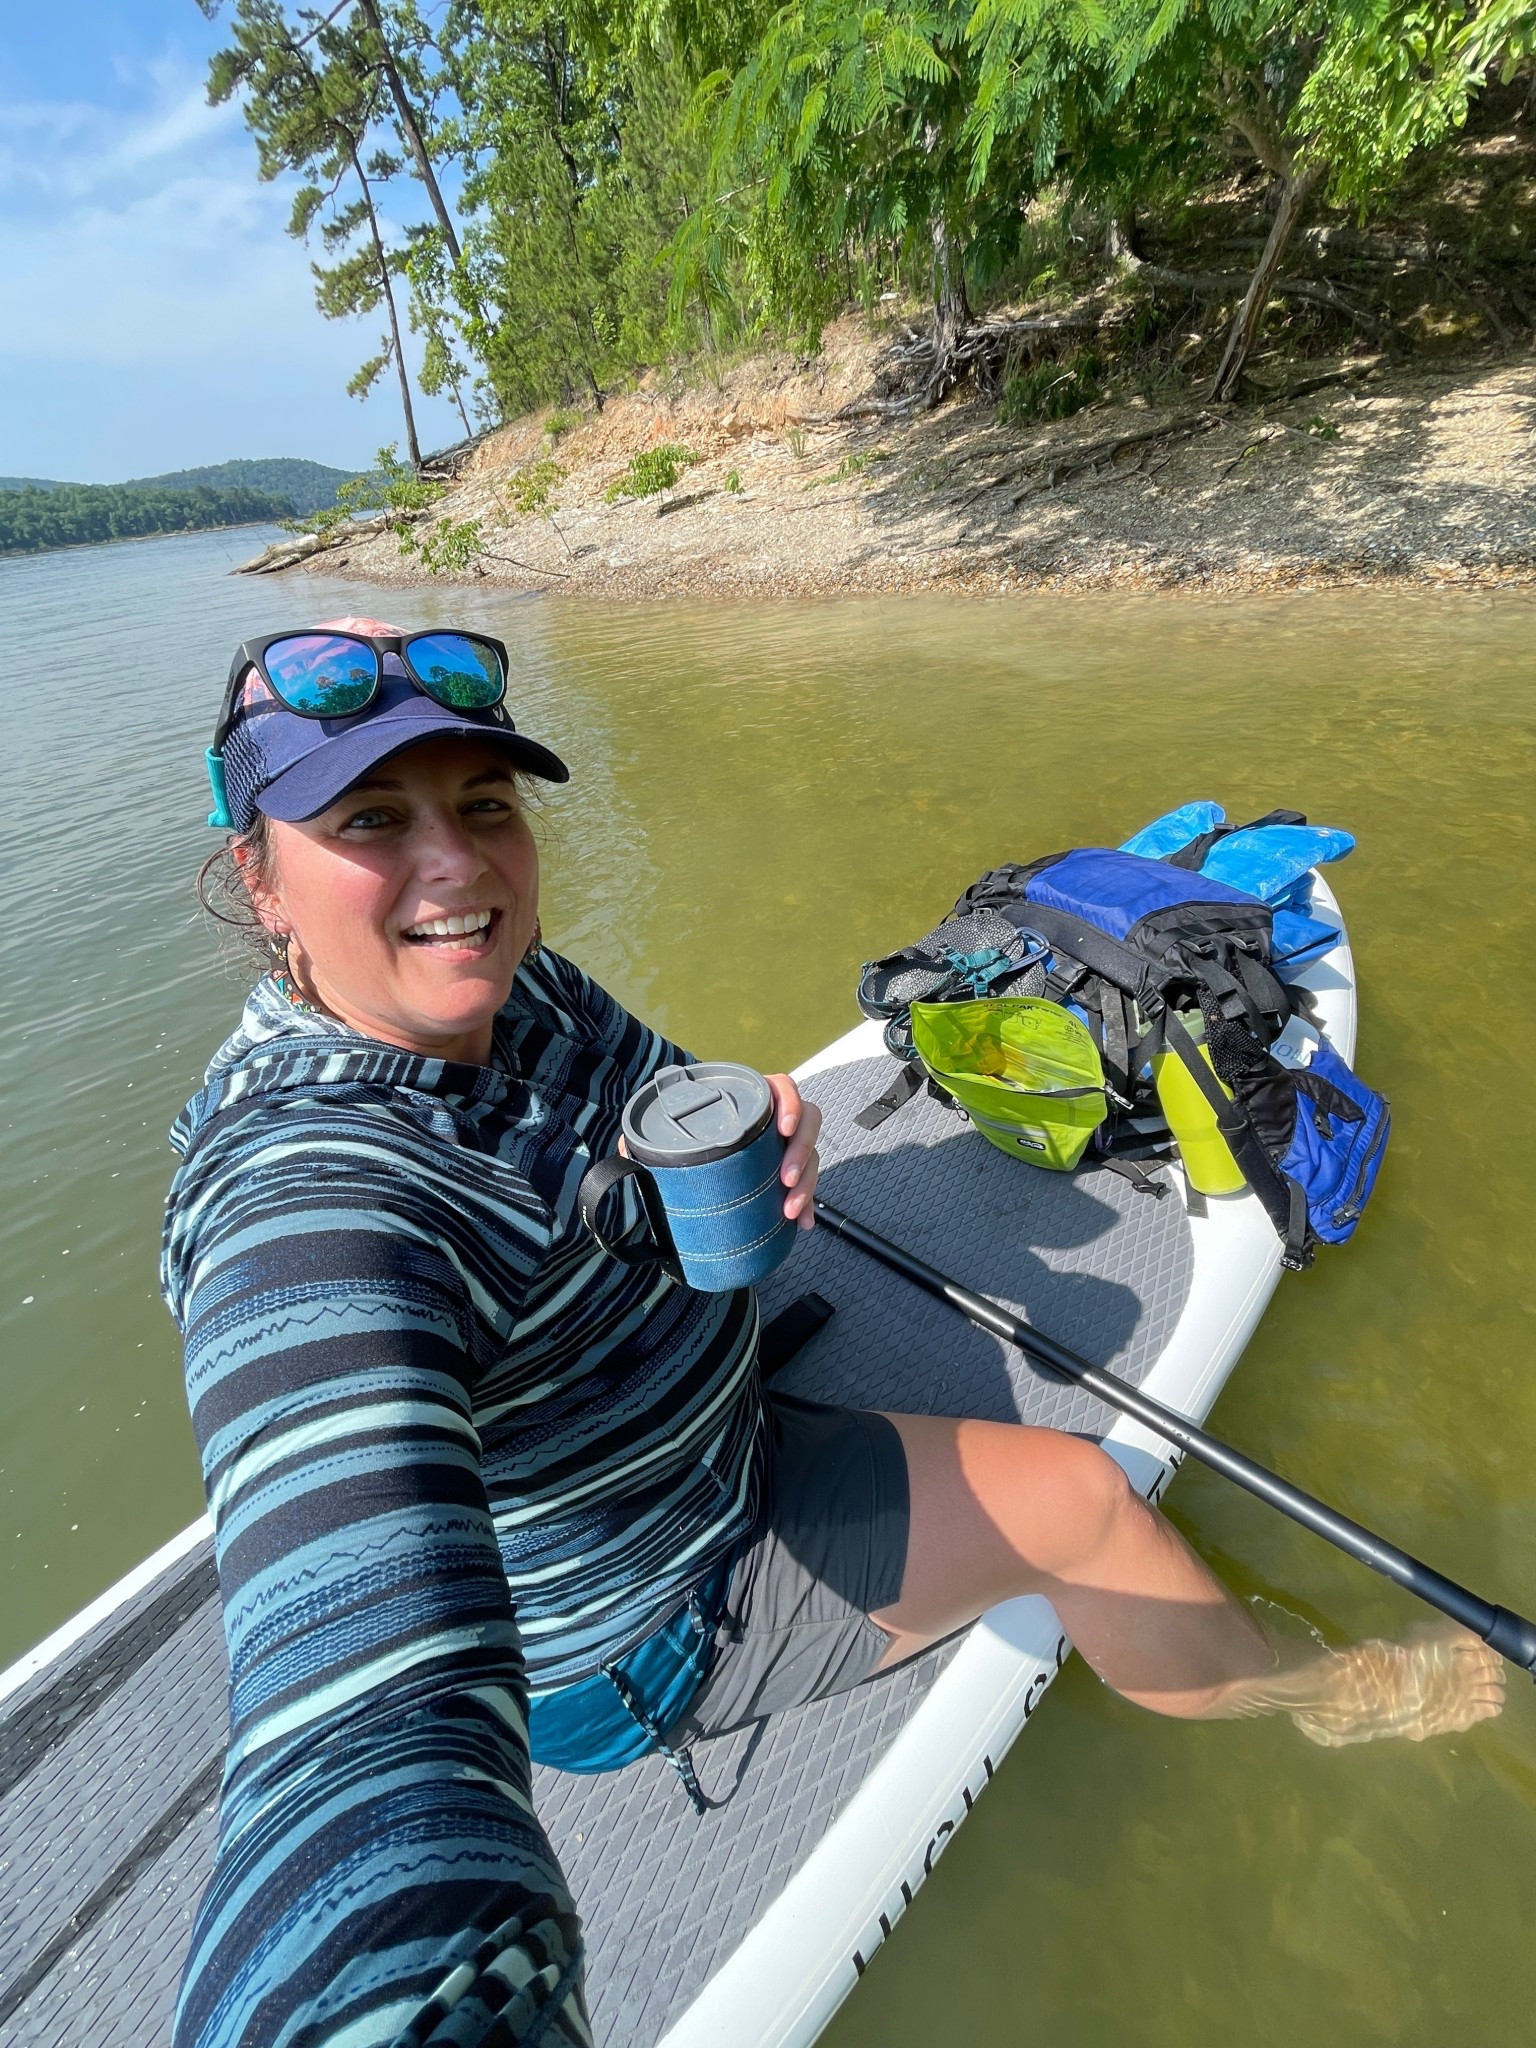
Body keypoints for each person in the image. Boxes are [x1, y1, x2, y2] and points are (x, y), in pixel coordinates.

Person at [164, 617, 1504, 2048]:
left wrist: (770, 1119)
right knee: (1087, 1506)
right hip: (661, 1597)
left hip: (701, 1421)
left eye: (484, 803)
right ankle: (1305, 1692)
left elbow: (668, 1094)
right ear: (260, 878)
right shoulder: (307, 1201)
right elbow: (357, 1722)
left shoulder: (512, 983)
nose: (457, 865)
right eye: (371, 819)